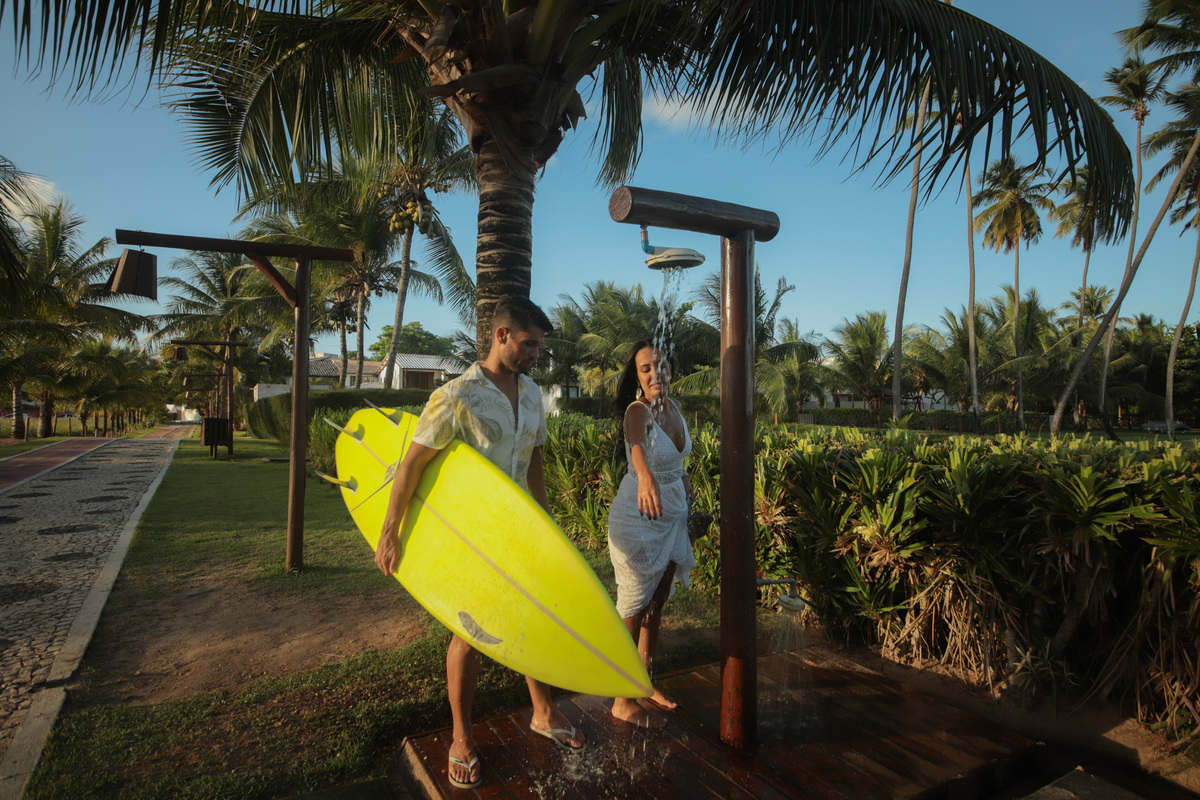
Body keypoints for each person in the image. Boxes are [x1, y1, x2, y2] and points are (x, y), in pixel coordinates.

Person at [374, 295, 585, 790]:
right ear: (501, 336)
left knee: (530, 620)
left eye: (539, 346)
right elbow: (412, 465)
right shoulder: (456, 396)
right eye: (529, 344)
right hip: (473, 540)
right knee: (471, 634)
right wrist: (390, 531)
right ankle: (462, 737)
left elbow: (534, 460)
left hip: (522, 535)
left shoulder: (533, 395)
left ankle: (543, 711)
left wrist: (546, 524)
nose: (536, 354)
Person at [606, 340, 698, 728]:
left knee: (656, 603)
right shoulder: (637, 411)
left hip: (671, 515)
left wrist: (686, 485)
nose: (654, 373)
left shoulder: (675, 408)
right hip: (639, 516)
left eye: (660, 366)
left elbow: (676, 462)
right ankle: (620, 698)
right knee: (632, 608)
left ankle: (643, 681)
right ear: (638, 378)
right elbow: (638, 448)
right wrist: (643, 475)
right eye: (646, 369)